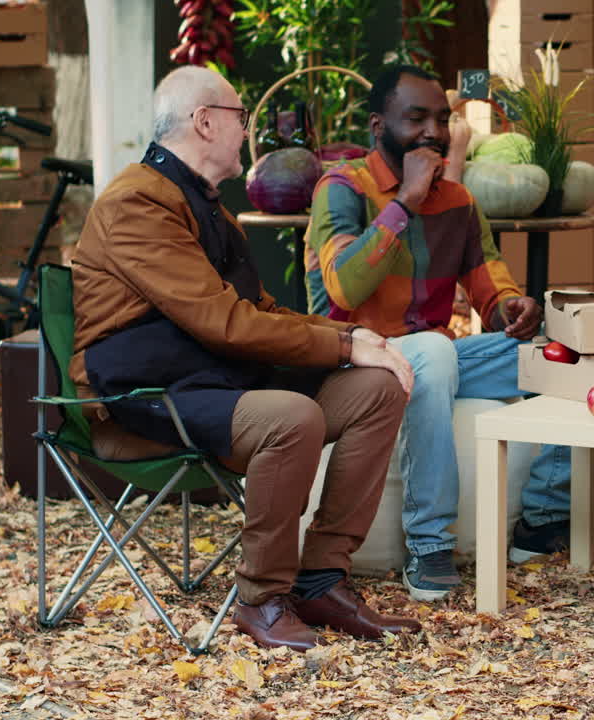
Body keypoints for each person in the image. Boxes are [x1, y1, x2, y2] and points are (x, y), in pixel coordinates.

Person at [70, 66, 421, 653]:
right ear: (205, 122)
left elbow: (257, 309)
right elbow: (223, 321)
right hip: (146, 396)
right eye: (242, 117)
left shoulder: (205, 206)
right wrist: (342, 346)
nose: (249, 131)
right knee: (292, 417)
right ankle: (261, 598)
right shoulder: (136, 202)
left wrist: (354, 335)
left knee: (377, 391)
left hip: (215, 381)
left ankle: (321, 580)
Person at [305, 64, 572, 602]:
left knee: (562, 351)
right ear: (379, 126)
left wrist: (511, 308)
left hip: (434, 362)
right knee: (432, 348)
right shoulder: (341, 187)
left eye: (442, 119)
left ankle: (542, 518)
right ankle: (429, 545)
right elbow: (344, 287)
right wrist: (403, 202)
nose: (433, 132)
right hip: (350, 361)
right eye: (416, 119)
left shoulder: (458, 202)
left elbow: (490, 286)